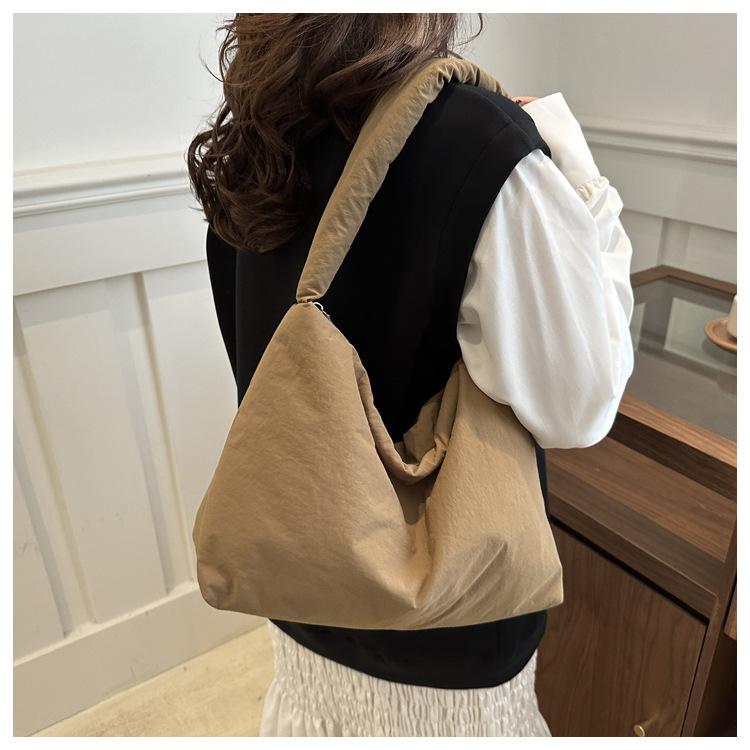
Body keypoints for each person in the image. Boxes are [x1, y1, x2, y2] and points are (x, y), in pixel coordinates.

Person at [187, 13, 634, 738]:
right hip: (449, 660)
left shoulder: (257, 131)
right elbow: (580, 408)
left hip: (304, 600)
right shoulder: (475, 135)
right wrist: (581, 177)